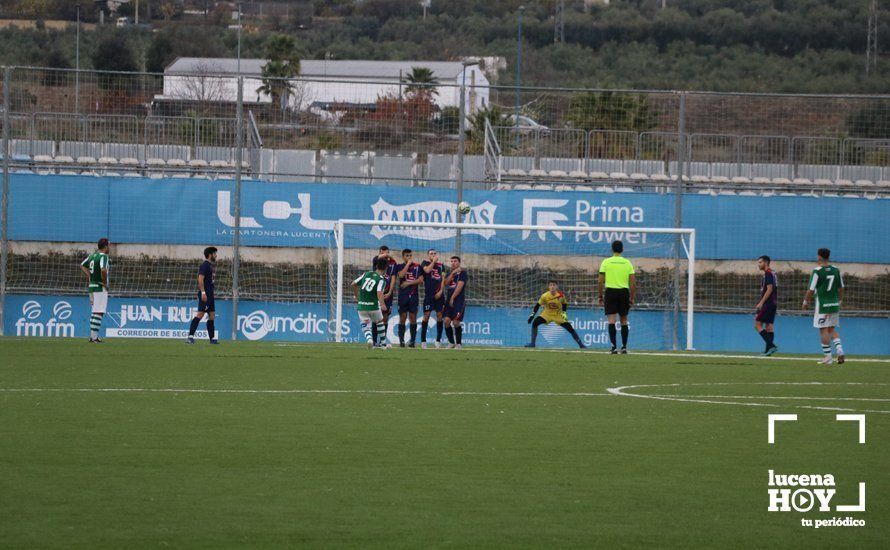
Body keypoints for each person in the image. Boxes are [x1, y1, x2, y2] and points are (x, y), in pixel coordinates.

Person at [802, 248, 845, 365]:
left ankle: (828, 358)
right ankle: (840, 350)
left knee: (823, 330)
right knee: (832, 329)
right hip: (834, 304)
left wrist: (805, 301)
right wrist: (839, 301)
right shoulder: (836, 270)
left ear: (820, 257)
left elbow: (810, 290)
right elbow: (841, 288)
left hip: (822, 306)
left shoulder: (817, 271)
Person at [598, 240, 636, 354]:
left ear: (612, 250)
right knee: (624, 320)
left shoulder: (606, 262)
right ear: (622, 250)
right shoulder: (627, 263)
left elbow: (600, 281)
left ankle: (613, 347)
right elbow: (633, 283)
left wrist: (600, 296)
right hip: (624, 292)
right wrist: (632, 298)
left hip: (610, 292)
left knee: (611, 321)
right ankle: (624, 347)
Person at [525, 281, 586, 349]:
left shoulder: (561, 295)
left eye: (554, 285)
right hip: (547, 314)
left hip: (557, 315)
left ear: (557, 287)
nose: (552, 287)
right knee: (535, 323)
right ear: (549, 287)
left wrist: (564, 313)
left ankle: (581, 345)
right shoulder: (544, 295)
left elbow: (564, 304)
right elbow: (537, 305)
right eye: (550, 285)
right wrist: (532, 315)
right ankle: (532, 343)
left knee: (569, 327)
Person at [352, 257, 390, 349]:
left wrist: (358, 297)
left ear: (376, 266)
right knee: (379, 322)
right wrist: (382, 304)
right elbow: (379, 291)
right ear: (386, 268)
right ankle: (384, 344)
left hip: (362, 306)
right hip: (373, 306)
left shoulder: (367, 273)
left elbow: (353, 283)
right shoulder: (381, 279)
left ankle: (369, 339)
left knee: (365, 323)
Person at [79, 238, 111, 343]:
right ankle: (93, 338)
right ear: (105, 247)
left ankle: (93, 337)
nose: (109, 248)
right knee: (99, 312)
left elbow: (82, 265)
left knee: (94, 312)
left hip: (91, 287)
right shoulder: (104, 257)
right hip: (99, 287)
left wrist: (90, 276)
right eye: (109, 246)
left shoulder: (92, 256)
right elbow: (103, 269)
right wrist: (105, 283)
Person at [187, 247, 219, 344]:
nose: (216, 255)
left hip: (210, 295)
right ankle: (190, 337)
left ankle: (212, 339)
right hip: (205, 294)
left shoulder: (211, 266)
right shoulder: (204, 265)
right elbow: (200, 279)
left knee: (212, 315)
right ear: (210, 254)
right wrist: (203, 292)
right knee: (200, 314)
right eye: (214, 253)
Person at [395, 249, 423, 347]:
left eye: (410, 255)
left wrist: (408, 283)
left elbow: (420, 280)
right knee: (402, 318)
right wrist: (407, 264)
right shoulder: (399, 266)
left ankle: (412, 342)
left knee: (413, 318)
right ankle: (402, 342)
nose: (409, 257)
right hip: (403, 296)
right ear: (403, 257)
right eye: (407, 256)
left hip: (414, 296)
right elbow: (401, 275)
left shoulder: (417, 266)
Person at [419, 249, 446, 349]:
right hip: (429, 295)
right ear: (428, 256)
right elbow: (427, 270)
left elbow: (443, 279)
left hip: (439, 295)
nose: (433, 255)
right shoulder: (425, 263)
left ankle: (438, 340)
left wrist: (441, 291)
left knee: (439, 316)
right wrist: (433, 262)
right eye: (431, 254)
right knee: (426, 316)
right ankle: (423, 341)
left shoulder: (441, 265)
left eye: (435, 254)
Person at [371, 246, 398, 344]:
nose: (385, 254)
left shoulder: (393, 263)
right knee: (375, 318)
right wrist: (386, 255)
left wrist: (390, 292)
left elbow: (393, 278)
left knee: (385, 318)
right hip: (377, 293)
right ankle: (373, 341)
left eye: (386, 252)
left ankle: (382, 341)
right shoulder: (376, 260)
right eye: (382, 252)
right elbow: (383, 256)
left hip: (388, 294)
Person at [754, 255, 779, 356]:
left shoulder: (768, 273)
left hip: (768, 303)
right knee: (769, 326)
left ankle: (771, 345)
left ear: (766, 263)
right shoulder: (772, 273)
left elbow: (769, 289)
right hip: (773, 303)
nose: (758, 264)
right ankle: (768, 350)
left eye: (760, 262)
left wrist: (761, 302)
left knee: (757, 324)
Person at [442, 256, 468, 349]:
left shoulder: (463, 273)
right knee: (446, 321)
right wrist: (452, 273)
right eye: (451, 261)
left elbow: (459, 286)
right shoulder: (451, 273)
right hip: (449, 301)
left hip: (458, 301)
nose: (453, 263)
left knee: (456, 322)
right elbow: (445, 283)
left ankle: (459, 343)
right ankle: (451, 342)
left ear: (459, 263)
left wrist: (453, 297)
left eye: (455, 261)